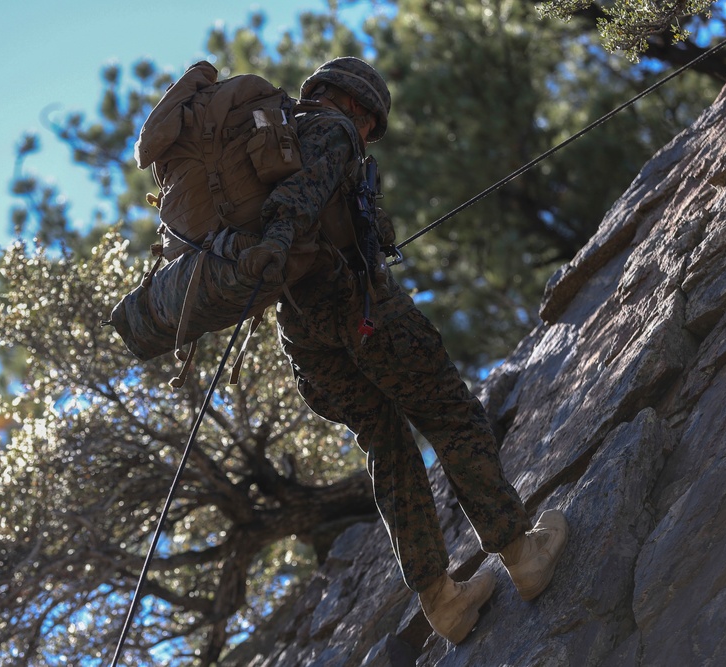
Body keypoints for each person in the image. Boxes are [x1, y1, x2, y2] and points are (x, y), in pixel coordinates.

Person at [235, 57, 569, 643]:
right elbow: (300, 202)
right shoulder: (332, 130)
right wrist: (283, 237)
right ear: (357, 108)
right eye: (371, 125)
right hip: (360, 309)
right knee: (451, 414)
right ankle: (523, 553)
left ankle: (443, 602)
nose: (367, 136)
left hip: (305, 336)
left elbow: (302, 213)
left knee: (387, 448)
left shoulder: (273, 149)